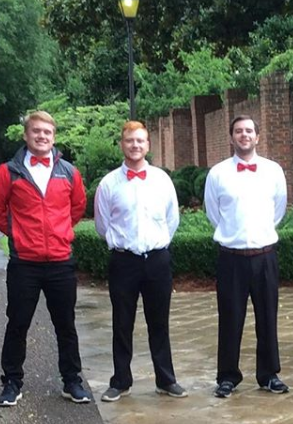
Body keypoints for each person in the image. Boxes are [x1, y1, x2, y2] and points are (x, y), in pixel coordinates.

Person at [0, 111, 91, 406]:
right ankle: (12, 382)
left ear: (53, 136)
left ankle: (72, 381)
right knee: (18, 323)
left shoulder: (69, 172)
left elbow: (77, 207)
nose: (42, 136)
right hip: (25, 264)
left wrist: (58, 233)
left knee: (66, 325)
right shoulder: (9, 172)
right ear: (26, 135)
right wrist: (18, 233)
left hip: (60, 262)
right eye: (36, 131)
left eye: (47, 132)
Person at [94, 120, 187, 402]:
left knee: (159, 322)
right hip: (124, 262)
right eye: (130, 140)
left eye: (140, 141)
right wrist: (119, 245)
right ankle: (120, 380)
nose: (135, 145)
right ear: (122, 144)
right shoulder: (109, 183)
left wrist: (158, 245)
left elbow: (172, 219)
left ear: (148, 145)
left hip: (157, 260)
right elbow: (102, 224)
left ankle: (165, 379)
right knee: (122, 322)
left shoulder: (162, 180)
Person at [204, 115, 289, 398]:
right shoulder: (217, 174)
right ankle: (227, 376)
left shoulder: (274, 171)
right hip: (231, 258)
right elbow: (213, 214)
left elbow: (278, 210)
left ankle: (269, 374)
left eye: (249, 131)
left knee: (268, 317)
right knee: (230, 318)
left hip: (265, 256)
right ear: (231, 138)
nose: (244, 135)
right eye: (238, 131)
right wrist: (234, 234)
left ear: (258, 137)